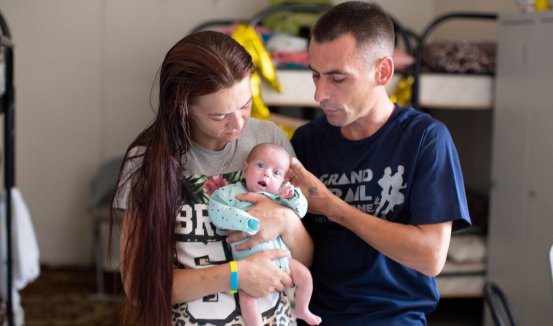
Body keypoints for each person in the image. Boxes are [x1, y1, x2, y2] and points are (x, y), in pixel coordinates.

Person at [112, 30, 313, 326]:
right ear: (182, 109)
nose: (238, 124)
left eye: (245, 105)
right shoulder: (146, 161)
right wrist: (236, 275)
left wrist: (288, 222)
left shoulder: (268, 140)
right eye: (219, 116)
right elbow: (138, 286)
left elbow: (304, 257)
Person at [288, 1, 471, 324]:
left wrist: (332, 207)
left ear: (382, 71)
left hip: (393, 318)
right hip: (313, 317)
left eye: (337, 78)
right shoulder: (306, 142)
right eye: (315, 75)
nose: (320, 94)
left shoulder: (425, 139)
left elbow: (430, 258)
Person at [208, 143, 321, 326]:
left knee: (306, 277)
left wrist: (293, 196)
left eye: (276, 173)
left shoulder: (280, 197)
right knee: (248, 299)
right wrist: (242, 221)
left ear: (283, 180)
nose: (267, 174)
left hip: (283, 261)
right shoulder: (232, 193)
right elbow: (216, 210)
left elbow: (301, 211)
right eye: (260, 165)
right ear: (245, 169)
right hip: (249, 265)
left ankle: (302, 308)